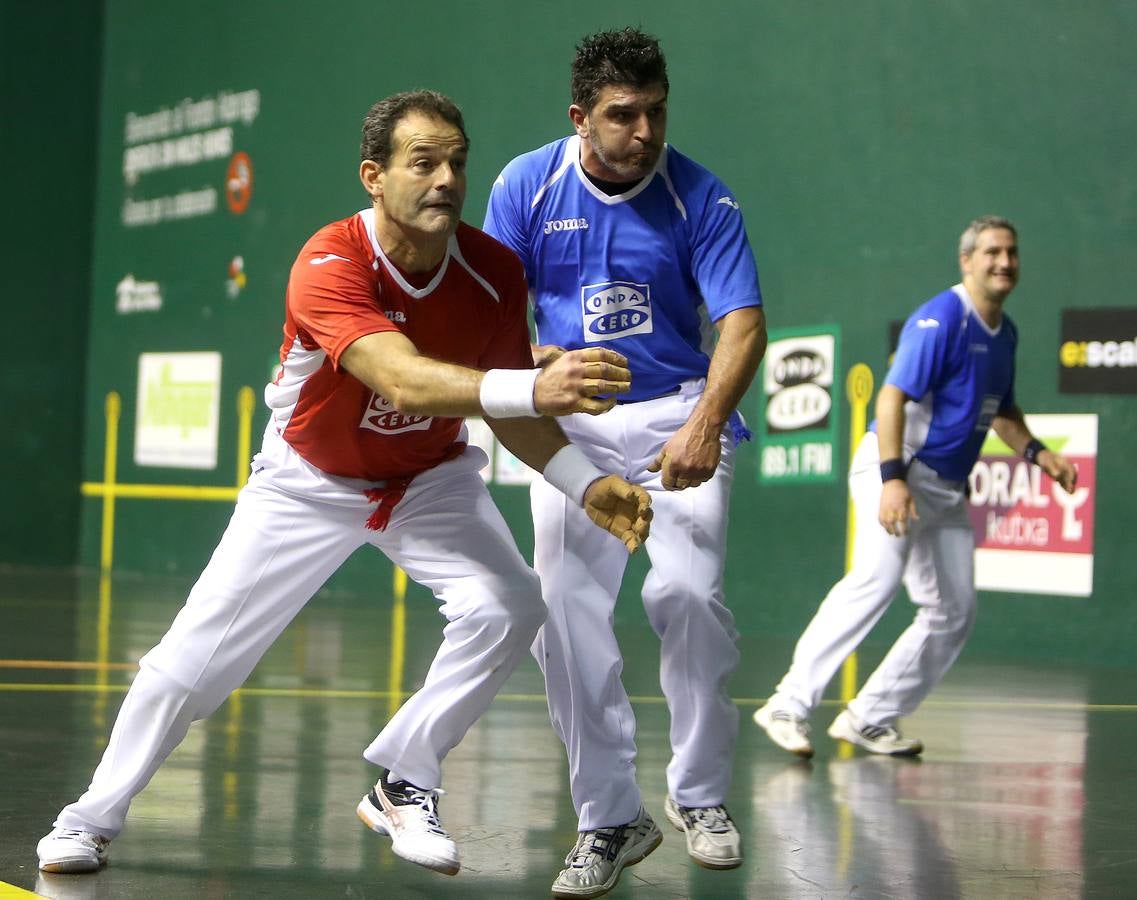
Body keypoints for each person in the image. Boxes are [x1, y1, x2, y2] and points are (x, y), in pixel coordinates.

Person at [36, 90, 652, 878]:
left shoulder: (495, 273)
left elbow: (499, 408)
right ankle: (89, 818)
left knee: (508, 605)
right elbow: (402, 381)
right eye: (422, 162)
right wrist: (537, 387)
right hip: (308, 484)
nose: (445, 180)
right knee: (190, 665)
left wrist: (582, 480)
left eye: (457, 162)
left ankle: (404, 780)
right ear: (374, 175)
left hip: (429, 481)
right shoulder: (329, 262)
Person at [484, 28, 767, 898]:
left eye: (655, 111)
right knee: (565, 614)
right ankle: (609, 815)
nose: (644, 131)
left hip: (679, 415)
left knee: (684, 595)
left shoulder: (700, 197)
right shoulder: (525, 186)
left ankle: (701, 795)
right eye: (622, 115)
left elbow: (741, 323)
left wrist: (705, 424)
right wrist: (533, 367)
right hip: (572, 427)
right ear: (580, 117)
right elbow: (489, 315)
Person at [754, 215, 1078, 759]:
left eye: (1012, 253)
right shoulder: (942, 319)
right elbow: (891, 399)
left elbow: (1001, 411)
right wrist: (893, 480)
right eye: (992, 252)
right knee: (876, 581)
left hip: (947, 490)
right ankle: (787, 703)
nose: (1004, 262)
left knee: (955, 611)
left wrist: (1039, 453)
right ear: (967, 260)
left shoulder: (1007, 333)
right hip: (896, 470)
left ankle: (869, 716)